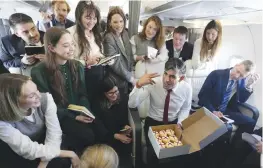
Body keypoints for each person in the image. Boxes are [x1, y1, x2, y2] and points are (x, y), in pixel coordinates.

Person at [31, 27, 107, 153]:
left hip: (79, 111)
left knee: (102, 130)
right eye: (66, 45)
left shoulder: (77, 65)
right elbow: (46, 105)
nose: (72, 48)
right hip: (58, 115)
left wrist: (84, 111)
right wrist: (74, 116)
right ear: (51, 48)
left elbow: (82, 94)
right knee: (87, 135)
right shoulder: (39, 71)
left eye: (73, 44)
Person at [0, 73, 79, 168]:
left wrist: (45, 161)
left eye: (37, 90)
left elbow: (54, 132)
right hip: (19, 150)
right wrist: (69, 154)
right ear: (13, 102)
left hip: (44, 140)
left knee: (60, 162)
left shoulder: (46, 98)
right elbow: (27, 149)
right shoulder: (2, 122)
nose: (39, 96)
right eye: (31, 96)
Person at [198, 60, 259, 136]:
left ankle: (237, 147)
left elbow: (241, 100)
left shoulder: (241, 81)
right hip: (211, 109)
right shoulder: (217, 74)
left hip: (225, 111)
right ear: (236, 65)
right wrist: (213, 111)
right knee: (227, 128)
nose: (237, 76)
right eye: (238, 71)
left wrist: (249, 86)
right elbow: (202, 96)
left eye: (241, 76)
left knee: (251, 122)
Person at [67, 1, 105, 102]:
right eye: (88, 17)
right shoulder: (70, 33)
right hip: (81, 78)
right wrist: (86, 63)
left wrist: (103, 58)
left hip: (97, 76)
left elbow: (98, 52)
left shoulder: (95, 33)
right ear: (79, 17)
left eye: (94, 18)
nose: (92, 21)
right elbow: (67, 62)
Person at [93, 77, 132, 167]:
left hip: (121, 133)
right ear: (104, 94)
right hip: (106, 137)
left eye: (116, 91)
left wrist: (126, 127)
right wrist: (116, 136)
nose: (114, 95)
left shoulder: (123, 99)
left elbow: (123, 119)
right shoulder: (97, 105)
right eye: (110, 93)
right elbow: (99, 128)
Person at [103, 6, 134, 95]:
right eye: (115, 22)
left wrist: (132, 71)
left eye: (121, 21)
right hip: (116, 81)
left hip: (126, 78)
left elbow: (129, 54)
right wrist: (130, 78)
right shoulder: (108, 38)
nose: (119, 25)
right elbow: (115, 64)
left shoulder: (125, 34)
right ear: (109, 23)